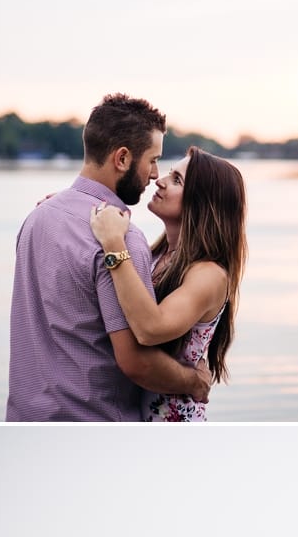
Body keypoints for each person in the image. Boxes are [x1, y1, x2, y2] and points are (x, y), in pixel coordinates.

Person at [6, 91, 212, 421]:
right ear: (122, 159)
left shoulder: (37, 218)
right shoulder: (123, 240)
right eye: (153, 160)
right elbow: (136, 362)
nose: (155, 174)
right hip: (96, 431)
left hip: (25, 424)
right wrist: (194, 381)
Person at [88, 147, 247, 419]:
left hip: (174, 431)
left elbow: (151, 328)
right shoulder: (158, 256)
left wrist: (113, 242)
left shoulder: (209, 274)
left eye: (176, 180)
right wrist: (71, 213)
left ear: (201, 201)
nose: (160, 180)